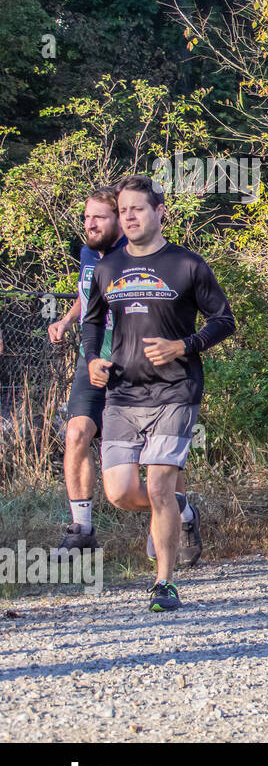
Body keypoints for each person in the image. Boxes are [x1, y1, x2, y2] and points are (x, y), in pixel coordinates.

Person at [82, 174, 236, 612]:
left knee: (159, 487)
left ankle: (164, 583)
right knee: (119, 492)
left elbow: (224, 320)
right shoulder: (107, 268)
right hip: (122, 395)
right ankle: (183, 511)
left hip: (175, 391)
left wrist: (183, 346)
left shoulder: (187, 265)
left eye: (138, 208)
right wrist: (94, 357)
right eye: (124, 210)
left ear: (159, 212)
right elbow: (93, 320)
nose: (129, 216)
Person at [47, 187, 128, 557]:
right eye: (85, 217)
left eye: (98, 217)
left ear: (119, 220)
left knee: (140, 451)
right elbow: (86, 291)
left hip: (130, 360)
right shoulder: (87, 252)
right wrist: (65, 320)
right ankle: (81, 531)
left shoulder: (132, 251)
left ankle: (179, 515)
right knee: (77, 432)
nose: (89, 224)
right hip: (90, 355)